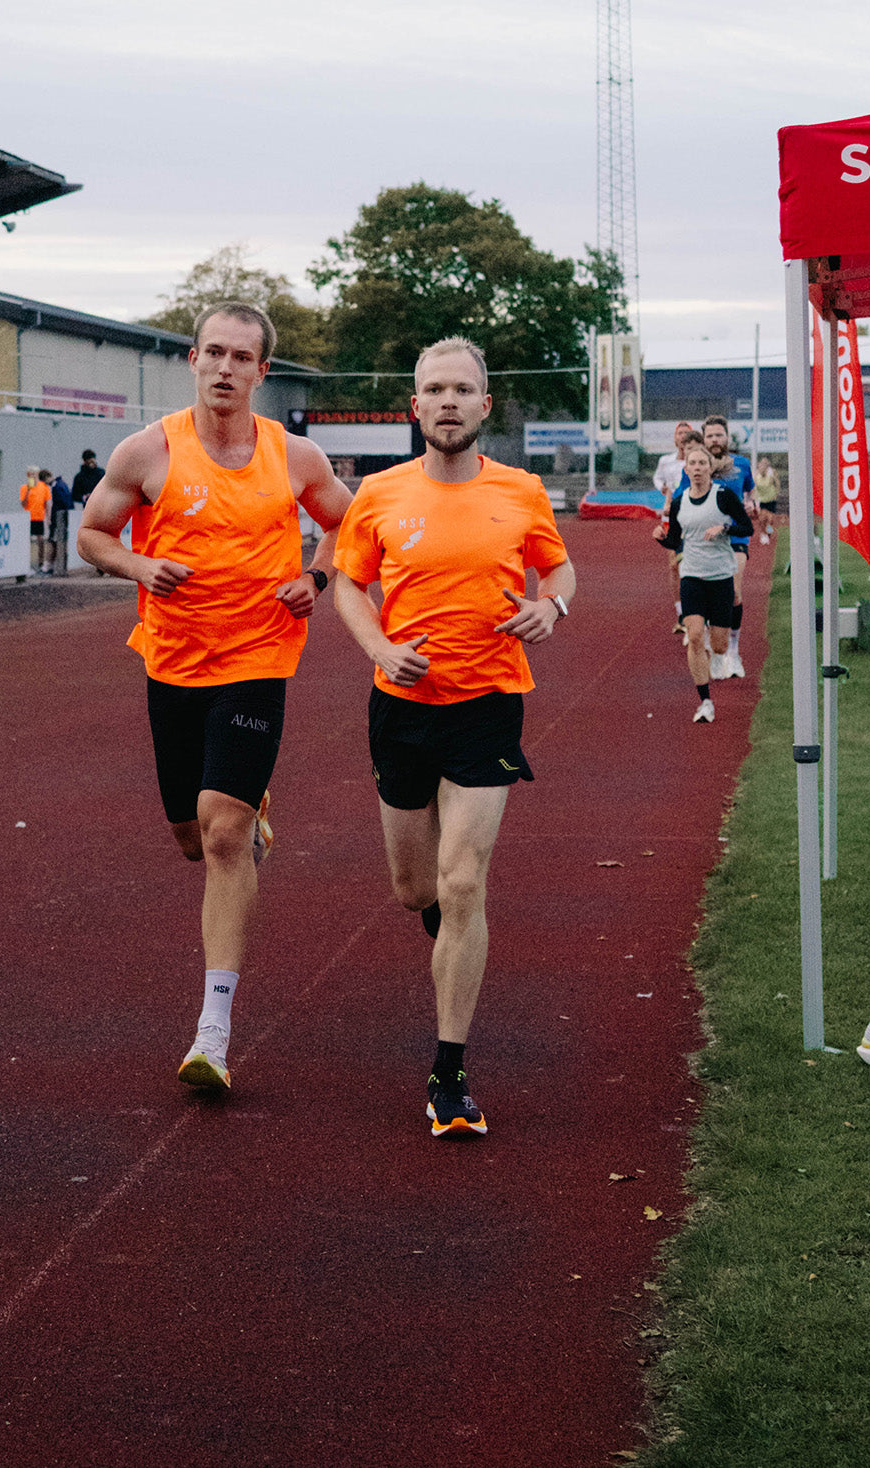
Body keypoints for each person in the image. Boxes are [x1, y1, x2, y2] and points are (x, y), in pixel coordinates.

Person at [76, 301, 353, 1091]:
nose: (227, 369)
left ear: (263, 372)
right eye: (214, 354)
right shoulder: (147, 451)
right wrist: (138, 568)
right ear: (192, 361)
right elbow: (92, 534)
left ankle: (213, 1031)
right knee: (190, 837)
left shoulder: (295, 456)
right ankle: (243, 812)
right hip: (171, 664)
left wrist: (315, 577)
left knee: (224, 834)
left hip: (259, 657)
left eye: (243, 358)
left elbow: (348, 523)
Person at [333, 336, 576, 1140]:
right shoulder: (377, 493)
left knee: (464, 881)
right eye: (432, 388)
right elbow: (348, 585)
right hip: (401, 708)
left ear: (484, 405)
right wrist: (377, 647)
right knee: (417, 890)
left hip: (488, 706)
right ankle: (453, 940)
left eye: (460, 388)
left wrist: (553, 606)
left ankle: (448, 1075)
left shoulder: (523, 491)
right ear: (415, 407)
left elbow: (559, 570)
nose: (446, 400)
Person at [653, 439, 753, 723]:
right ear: (685, 469)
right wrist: (662, 539)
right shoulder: (680, 502)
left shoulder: (723, 497)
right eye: (692, 463)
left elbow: (745, 526)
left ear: (710, 469)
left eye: (702, 463)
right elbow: (675, 540)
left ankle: (718, 646)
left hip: (721, 575)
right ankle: (705, 702)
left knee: (719, 646)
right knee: (695, 636)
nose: (697, 468)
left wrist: (724, 528)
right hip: (692, 576)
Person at [700, 416, 756, 678]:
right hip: (705, 540)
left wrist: (752, 506)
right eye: (710, 435)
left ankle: (733, 652)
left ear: (727, 437)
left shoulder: (742, 464)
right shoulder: (696, 466)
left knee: (733, 592)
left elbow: (751, 497)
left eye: (719, 435)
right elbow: (682, 499)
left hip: (735, 539)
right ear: (703, 439)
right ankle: (715, 650)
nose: (714, 440)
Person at [654, 422, 694, 632]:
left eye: (686, 434)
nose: (682, 437)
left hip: (693, 514)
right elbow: (658, 477)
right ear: (675, 437)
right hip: (671, 514)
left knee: (692, 564)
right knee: (674, 565)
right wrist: (662, 488)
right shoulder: (666, 461)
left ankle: (695, 613)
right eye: (680, 433)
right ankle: (681, 614)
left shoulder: (697, 462)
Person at [20, 467, 52, 571]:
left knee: (41, 540)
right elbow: (23, 504)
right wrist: (28, 492)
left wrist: (48, 517)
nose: (32, 476)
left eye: (34, 474)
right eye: (30, 474)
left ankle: (40, 562)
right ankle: (26, 562)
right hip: (28, 518)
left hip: (39, 517)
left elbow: (47, 503)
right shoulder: (24, 488)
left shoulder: (43, 487)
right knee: (27, 541)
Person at [42, 470, 73, 575]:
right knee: (59, 542)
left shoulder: (57, 486)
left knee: (56, 541)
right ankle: (59, 567)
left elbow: (61, 503)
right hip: (63, 517)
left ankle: (56, 567)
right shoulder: (62, 484)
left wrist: (53, 518)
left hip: (59, 518)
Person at [755, 456, 780, 544]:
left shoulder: (771, 473)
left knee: (770, 519)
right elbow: (753, 486)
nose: (763, 467)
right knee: (762, 519)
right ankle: (763, 534)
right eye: (761, 465)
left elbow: (777, 483)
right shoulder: (756, 475)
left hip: (771, 499)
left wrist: (777, 492)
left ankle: (768, 532)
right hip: (762, 500)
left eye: (765, 465)